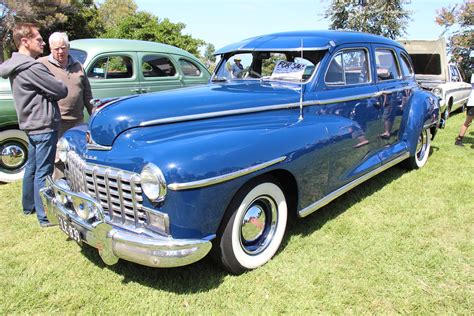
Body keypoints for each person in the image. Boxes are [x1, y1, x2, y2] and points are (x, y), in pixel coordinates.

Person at [0, 23, 68, 227]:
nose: (42, 43)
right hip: (43, 125)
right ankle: (45, 216)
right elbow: (60, 89)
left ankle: (28, 206)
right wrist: (49, 91)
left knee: (32, 167)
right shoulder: (33, 67)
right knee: (43, 171)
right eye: (38, 39)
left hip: (31, 124)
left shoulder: (15, 65)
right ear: (25, 41)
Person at [38, 32, 93, 139]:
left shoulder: (78, 66)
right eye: (56, 49)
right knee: (58, 154)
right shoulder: (41, 65)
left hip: (77, 121)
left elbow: (87, 93)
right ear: (50, 49)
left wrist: (93, 112)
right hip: (55, 123)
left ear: (68, 47)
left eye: (63, 48)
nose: (60, 52)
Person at [454, 74, 473, 147]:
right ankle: (459, 140)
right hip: (472, 103)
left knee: (468, 122)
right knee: (468, 122)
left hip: (471, 103)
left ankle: (459, 140)